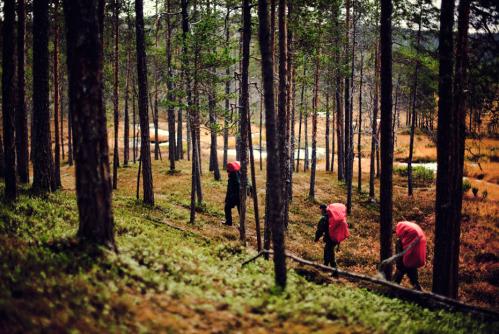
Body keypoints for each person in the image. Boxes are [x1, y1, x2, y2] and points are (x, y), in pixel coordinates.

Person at [393, 221, 427, 291]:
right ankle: (420, 294)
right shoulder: (410, 240)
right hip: (411, 262)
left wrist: (398, 265)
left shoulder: (400, 241)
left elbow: (399, 255)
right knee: (414, 280)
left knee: (396, 279)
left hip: (403, 264)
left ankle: (390, 292)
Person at [224, 161, 241, 226]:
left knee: (227, 207)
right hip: (239, 196)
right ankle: (242, 224)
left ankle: (229, 222)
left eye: (228, 170)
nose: (227, 172)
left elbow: (230, 190)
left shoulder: (233, 177)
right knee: (240, 210)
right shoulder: (239, 174)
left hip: (234, 197)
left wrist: (228, 199)